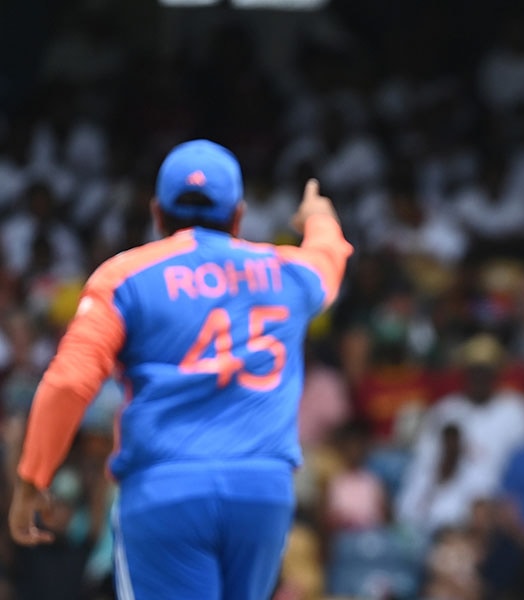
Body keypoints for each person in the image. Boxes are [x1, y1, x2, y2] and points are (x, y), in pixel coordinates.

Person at [8, 139, 353, 600]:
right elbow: (328, 258)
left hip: (166, 492)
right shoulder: (286, 271)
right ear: (238, 216)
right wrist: (318, 216)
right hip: (261, 492)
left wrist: (34, 477)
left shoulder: (124, 276)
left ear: (157, 214)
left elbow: (70, 380)